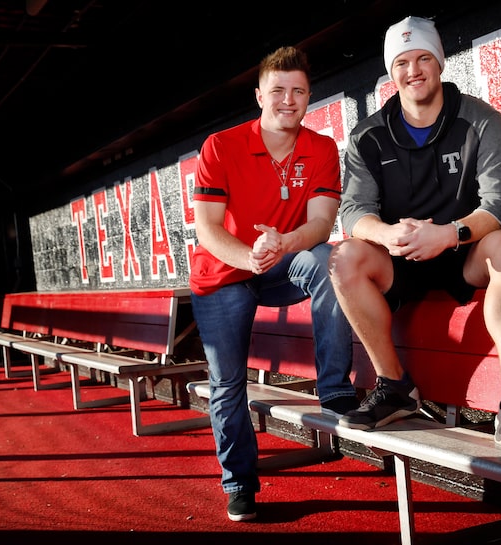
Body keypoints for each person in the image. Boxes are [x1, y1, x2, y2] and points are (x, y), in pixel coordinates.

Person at [329, 16, 501, 457]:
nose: (412, 70)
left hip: (463, 249)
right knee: (345, 258)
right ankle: (394, 386)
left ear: (438, 62)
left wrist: (449, 234)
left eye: (422, 59)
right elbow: (354, 211)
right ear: (390, 72)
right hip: (402, 254)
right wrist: (388, 233)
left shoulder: (480, 119)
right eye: (401, 62)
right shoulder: (368, 136)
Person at [189, 46, 360, 522]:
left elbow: (322, 224)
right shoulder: (220, 146)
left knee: (332, 258)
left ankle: (334, 388)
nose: (289, 100)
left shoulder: (322, 147)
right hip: (224, 272)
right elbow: (207, 228)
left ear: (309, 97)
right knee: (227, 384)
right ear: (259, 95)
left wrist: (283, 243)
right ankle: (239, 482)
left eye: (299, 91)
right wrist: (249, 255)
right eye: (279, 90)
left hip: (281, 260)